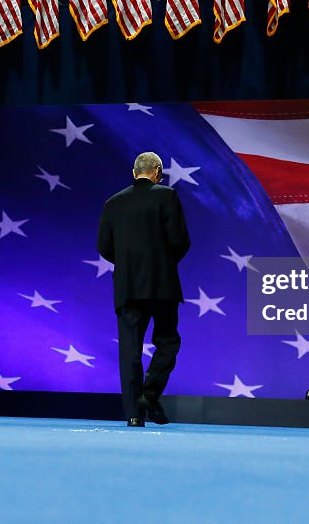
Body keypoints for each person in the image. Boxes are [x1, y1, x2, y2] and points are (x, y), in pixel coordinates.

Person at [97, 151, 191, 427]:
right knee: (168, 342)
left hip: (127, 287)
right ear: (158, 172)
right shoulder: (167, 196)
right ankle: (149, 394)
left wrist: (127, 264)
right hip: (162, 285)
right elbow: (180, 240)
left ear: (134, 172)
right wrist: (161, 262)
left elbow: (104, 246)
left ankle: (133, 414)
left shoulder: (113, 203)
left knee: (130, 350)